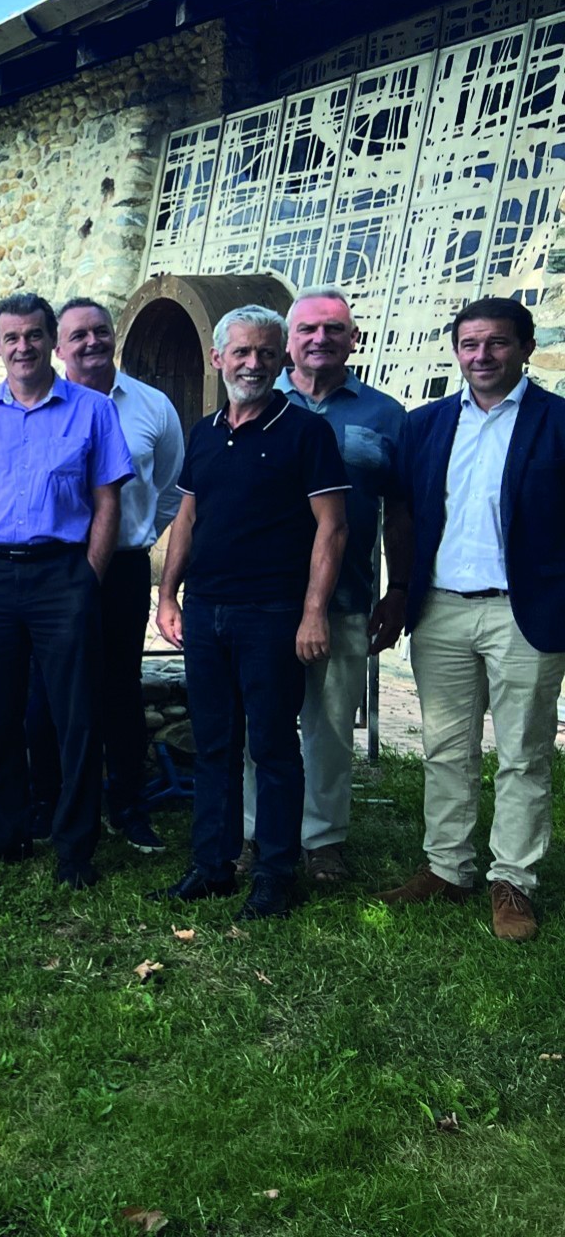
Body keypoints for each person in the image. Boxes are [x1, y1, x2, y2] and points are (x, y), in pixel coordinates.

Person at [375, 297, 565, 942]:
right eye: (470, 344)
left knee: (523, 754)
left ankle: (512, 881)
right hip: (443, 611)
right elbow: (400, 514)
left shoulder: (557, 422)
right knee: (445, 748)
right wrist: (399, 590)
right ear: (456, 350)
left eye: (498, 343)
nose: (482, 356)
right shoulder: (425, 426)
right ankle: (447, 867)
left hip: (526, 614)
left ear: (524, 347)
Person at [152, 306, 347, 921]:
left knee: (271, 746)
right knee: (213, 744)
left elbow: (333, 529)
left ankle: (275, 875)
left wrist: (313, 612)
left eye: (266, 353)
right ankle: (211, 866)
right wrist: (167, 595)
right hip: (206, 610)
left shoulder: (306, 433)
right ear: (219, 359)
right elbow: (186, 518)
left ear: (282, 359)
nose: (254, 364)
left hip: (272, 612)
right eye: (241, 353)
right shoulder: (204, 432)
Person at [0, 292, 132, 889]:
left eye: (33, 336)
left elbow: (107, 501)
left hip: (60, 575)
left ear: (51, 340)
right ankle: (3, 833)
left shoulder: (93, 411)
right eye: (10, 338)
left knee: (75, 715)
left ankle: (75, 846)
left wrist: (87, 578)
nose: (22, 347)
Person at [242, 286, 408, 885]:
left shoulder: (384, 415)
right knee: (257, 723)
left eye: (333, 329)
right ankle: (254, 834)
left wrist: (399, 588)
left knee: (331, 725)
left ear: (353, 339)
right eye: (308, 328)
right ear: (288, 340)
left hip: (345, 596)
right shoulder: (254, 401)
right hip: (257, 598)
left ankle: (322, 840)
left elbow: (400, 508)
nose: (319, 339)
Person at [21, 299, 185, 854]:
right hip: (52, 568)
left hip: (121, 569)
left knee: (119, 688)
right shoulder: (40, 403)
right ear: (57, 346)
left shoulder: (151, 406)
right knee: (45, 690)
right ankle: (49, 802)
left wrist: (135, 532)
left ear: (114, 337)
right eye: (77, 336)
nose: (91, 342)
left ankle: (128, 805)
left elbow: (169, 487)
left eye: (100, 332)